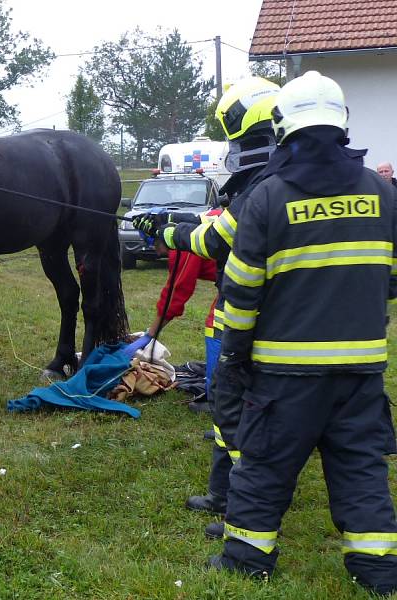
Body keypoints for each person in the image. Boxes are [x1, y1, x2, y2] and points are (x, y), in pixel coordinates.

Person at [210, 70, 397, 595]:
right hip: (361, 370)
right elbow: (393, 277)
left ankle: (247, 561)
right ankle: (378, 571)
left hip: (284, 372)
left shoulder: (267, 197)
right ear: (341, 125)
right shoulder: (381, 192)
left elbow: (241, 292)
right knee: (360, 467)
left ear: (282, 128)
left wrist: (233, 356)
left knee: (264, 465)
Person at [134, 76, 281, 538]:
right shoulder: (276, 182)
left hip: (240, 322)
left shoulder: (259, 191)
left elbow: (201, 254)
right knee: (232, 411)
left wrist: (163, 232)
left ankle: (235, 502)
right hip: (269, 322)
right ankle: (224, 491)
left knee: (234, 412)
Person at [145, 220, 218, 414]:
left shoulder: (183, 249)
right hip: (233, 274)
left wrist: (150, 334)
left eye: (155, 246)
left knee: (217, 323)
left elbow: (176, 292)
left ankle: (217, 396)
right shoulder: (183, 239)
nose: (156, 252)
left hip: (243, 274)